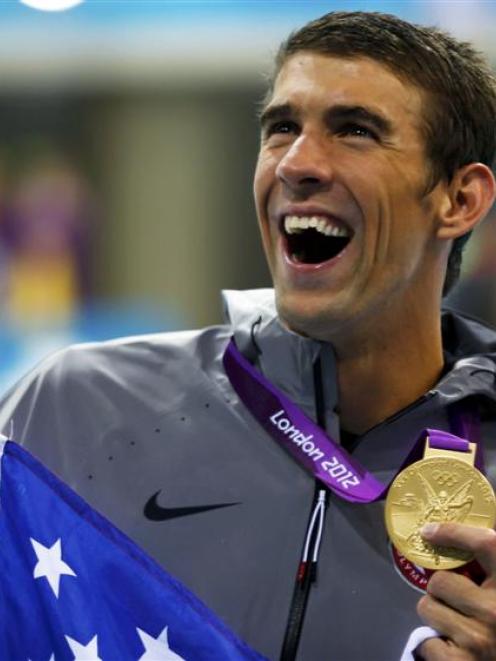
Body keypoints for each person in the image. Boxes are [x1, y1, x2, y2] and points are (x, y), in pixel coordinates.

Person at [1, 10, 496, 660]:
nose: (297, 163)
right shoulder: (72, 409)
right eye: (282, 128)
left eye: (355, 130)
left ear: (459, 200)